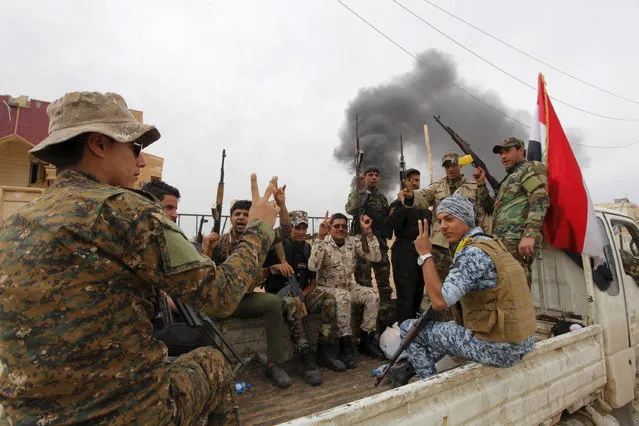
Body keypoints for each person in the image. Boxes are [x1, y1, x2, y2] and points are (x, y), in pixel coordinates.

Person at [0, 91, 279, 424]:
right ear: (98, 144)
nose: (142, 162)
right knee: (213, 364)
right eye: (135, 148)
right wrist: (260, 228)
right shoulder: (126, 211)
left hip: (26, 415)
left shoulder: (18, 219)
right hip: (124, 413)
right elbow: (220, 296)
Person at [388, 194, 536, 388]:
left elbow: (439, 302)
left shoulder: (472, 253)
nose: (442, 226)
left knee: (410, 328)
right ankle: (408, 369)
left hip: (501, 349)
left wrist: (425, 254)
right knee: (449, 326)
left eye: (449, 219)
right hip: (523, 341)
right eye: (440, 221)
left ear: (466, 219)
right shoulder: (491, 243)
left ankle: (430, 388)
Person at [207, 200, 323, 387]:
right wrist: (207, 250)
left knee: (273, 302)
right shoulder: (218, 243)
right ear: (231, 218)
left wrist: (282, 205)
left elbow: (285, 230)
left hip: (243, 299)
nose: (242, 218)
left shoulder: (258, 242)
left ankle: (273, 364)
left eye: (246, 214)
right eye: (238, 214)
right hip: (221, 301)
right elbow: (205, 276)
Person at [263, 210, 346, 372]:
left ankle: (324, 350)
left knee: (329, 298)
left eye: (304, 228)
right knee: (292, 303)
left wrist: (302, 296)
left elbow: (313, 282)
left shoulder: (308, 249)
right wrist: (275, 267)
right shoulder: (277, 247)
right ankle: (305, 354)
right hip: (278, 298)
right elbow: (262, 270)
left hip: (300, 295)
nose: (301, 232)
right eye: (297, 228)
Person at [308, 212, 386, 368]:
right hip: (325, 288)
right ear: (330, 227)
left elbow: (375, 257)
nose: (340, 229)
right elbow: (312, 266)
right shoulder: (323, 242)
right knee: (343, 296)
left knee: (373, 295)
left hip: (346, 286)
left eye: (344, 226)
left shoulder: (352, 242)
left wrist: (368, 232)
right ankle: (346, 344)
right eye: (336, 226)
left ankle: (367, 339)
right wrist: (320, 237)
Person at [401, 152, 493, 282]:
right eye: (447, 166)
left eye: (453, 165)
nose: (450, 169)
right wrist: (411, 196)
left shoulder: (473, 187)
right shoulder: (437, 186)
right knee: (439, 283)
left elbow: (483, 214)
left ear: (460, 165)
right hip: (441, 246)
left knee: (466, 282)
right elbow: (423, 196)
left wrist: (486, 240)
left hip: (466, 243)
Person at [491, 137, 550, 285]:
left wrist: (530, 235)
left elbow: (540, 199)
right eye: (500, 154)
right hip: (504, 240)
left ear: (521, 150)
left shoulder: (529, 168)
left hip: (517, 239)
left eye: (507, 151)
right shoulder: (511, 177)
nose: (503, 156)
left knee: (517, 288)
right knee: (506, 288)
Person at [345, 166, 393, 324]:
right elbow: (350, 209)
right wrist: (358, 190)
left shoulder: (381, 197)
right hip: (363, 244)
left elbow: (388, 216)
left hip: (380, 243)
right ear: (364, 177)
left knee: (384, 283)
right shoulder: (359, 194)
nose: (373, 177)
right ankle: (364, 322)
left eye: (376, 175)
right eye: (370, 175)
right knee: (364, 283)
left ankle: (384, 316)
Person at [389, 168, 432, 323]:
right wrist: (402, 204)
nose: (415, 183)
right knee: (406, 295)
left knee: (419, 294)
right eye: (412, 180)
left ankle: (414, 331)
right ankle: (404, 332)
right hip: (404, 252)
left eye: (417, 180)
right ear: (405, 182)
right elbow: (392, 226)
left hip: (421, 253)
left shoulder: (424, 207)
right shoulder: (397, 204)